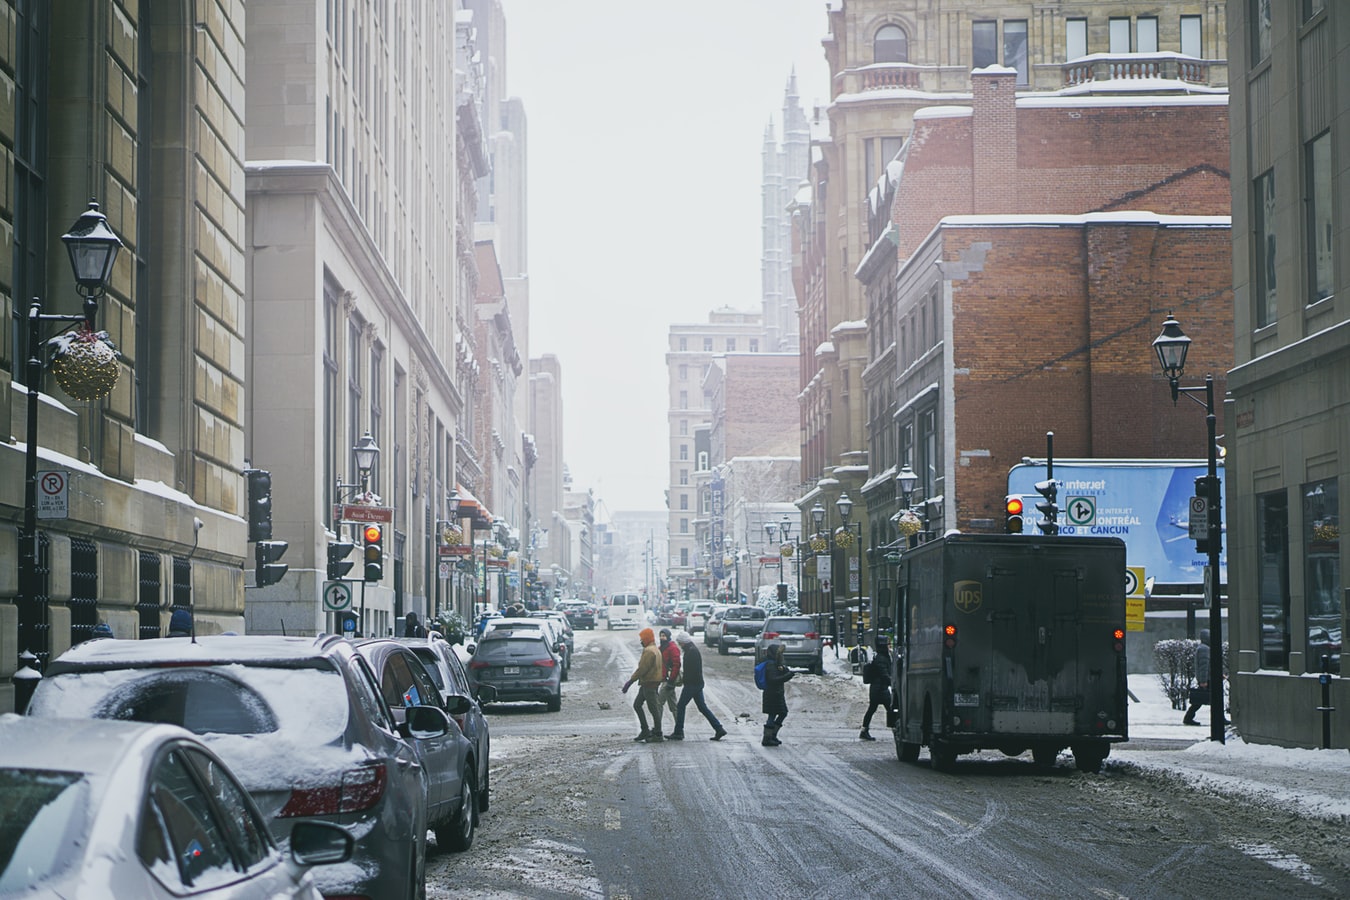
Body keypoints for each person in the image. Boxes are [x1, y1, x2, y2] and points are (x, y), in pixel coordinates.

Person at [671, 633, 727, 741]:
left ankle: (678, 732)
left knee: (681, 706)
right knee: (702, 707)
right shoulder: (692, 650)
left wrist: (685, 680)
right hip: (697, 684)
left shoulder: (691, 652)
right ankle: (719, 728)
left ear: (683, 642)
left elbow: (691, 670)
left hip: (692, 684)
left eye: (679, 642)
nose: (679, 644)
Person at [621, 627, 665, 742]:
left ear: (646, 638)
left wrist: (630, 681)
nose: (641, 641)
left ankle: (657, 733)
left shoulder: (649, 651)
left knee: (653, 708)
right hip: (651, 682)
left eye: (642, 639)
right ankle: (645, 730)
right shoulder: (655, 649)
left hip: (649, 683)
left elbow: (642, 669)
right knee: (638, 705)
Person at [760, 642, 795, 746]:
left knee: (781, 713)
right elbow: (773, 679)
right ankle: (768, 737)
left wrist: (784, 669)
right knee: (773, 714)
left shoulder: (775, 664)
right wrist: (788, 676)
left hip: (776, 694)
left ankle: (771, 736)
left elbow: (782, 673)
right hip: (772, 694)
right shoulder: (771, 665)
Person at [859, 636, 893, 740]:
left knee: (872, 709)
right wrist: (892, 682)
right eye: (888, 644)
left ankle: (864, 730)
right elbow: (884, 674)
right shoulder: (881, 659)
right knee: (891, 709)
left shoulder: (881, 657)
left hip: (877, 689)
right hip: (880, 690)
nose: (889, 646)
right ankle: (897, 731)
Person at [1184, 629, 1212, 726]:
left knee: (1200, 700)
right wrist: (1203, 681)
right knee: (1202, 700)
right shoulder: (1205, 649)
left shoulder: (1204, 648)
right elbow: (1204, 666)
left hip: (1207, 678)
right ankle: (1188, 718)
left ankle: (1188, 717)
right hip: (1207, 679)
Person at [658, 628, 681, 722]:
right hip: (665, 679)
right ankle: (679, 728)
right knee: (673, 705)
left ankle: (657, 728)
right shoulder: (661, 648)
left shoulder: (672, 648)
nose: (662, 638)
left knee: (658, 703)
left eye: (664, 636)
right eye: (661, 636)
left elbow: (677, 664)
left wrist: (671, 680)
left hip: (668, 680)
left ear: (668, 636)